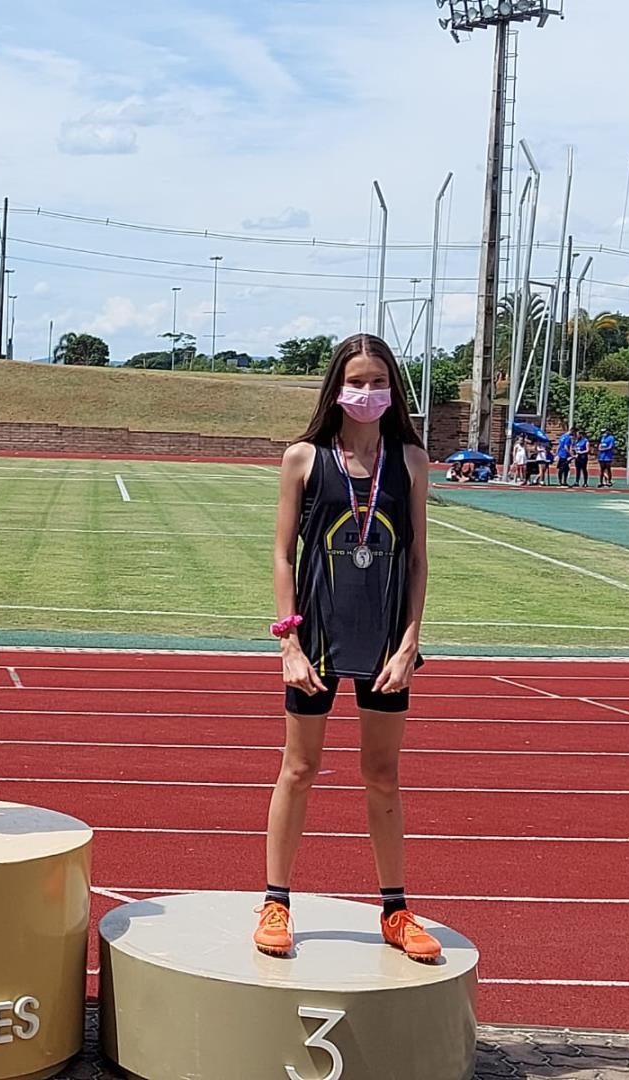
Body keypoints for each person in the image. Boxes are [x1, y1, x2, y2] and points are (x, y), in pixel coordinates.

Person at [255, 333, 441, 963]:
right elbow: (282, 556)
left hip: (387, 646)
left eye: (379, 382)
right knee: (299, 770)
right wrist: (289, 643)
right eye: (357, 381)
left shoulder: (410, 462)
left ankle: (395, 910)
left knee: (382, 777)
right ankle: (276, 901)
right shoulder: (303, 458)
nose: (368, 393)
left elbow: (417, 560)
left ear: (394, 390)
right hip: (316, 645)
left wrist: (410, 642)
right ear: (336, 387)